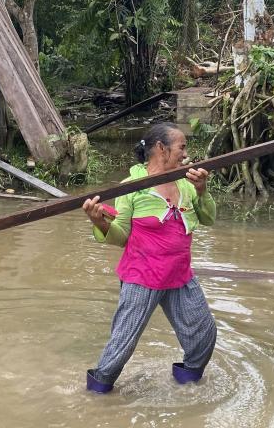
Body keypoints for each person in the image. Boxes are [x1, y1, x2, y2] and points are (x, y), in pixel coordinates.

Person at [81, 123, 217, 394]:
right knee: (122, 344)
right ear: (161, 149)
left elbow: (208, 218)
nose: (185, 153)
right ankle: (95, 396)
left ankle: (187, 388)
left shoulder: (186, 184)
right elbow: (121, 237)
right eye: (182, 147)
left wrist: (202, 191)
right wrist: (100, 222)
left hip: (179, 276)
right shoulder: (131, 188)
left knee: (204, 334)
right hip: (143, 277)